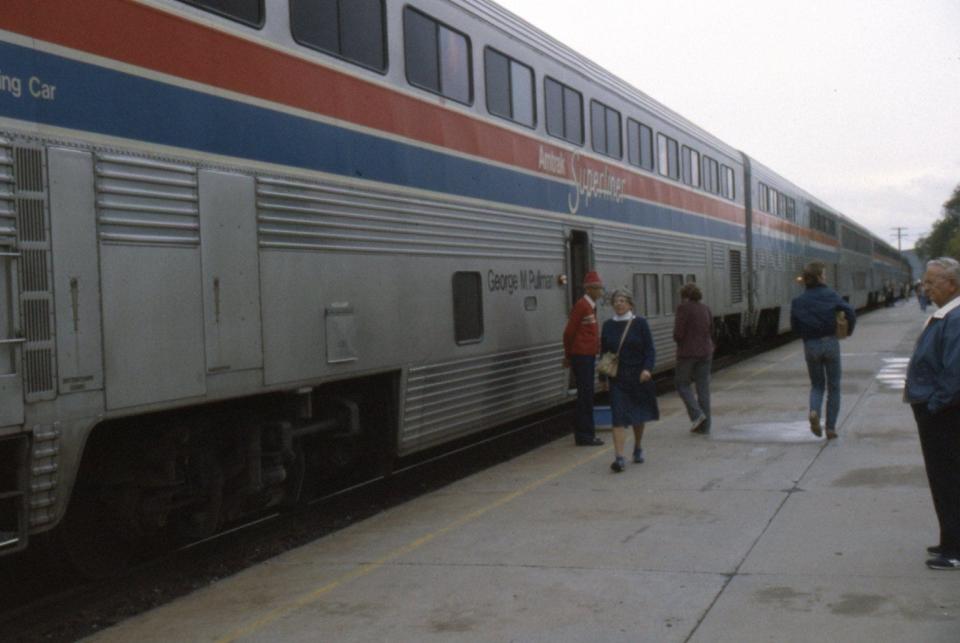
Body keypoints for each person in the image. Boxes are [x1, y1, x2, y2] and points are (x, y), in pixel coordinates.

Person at [905, 257, 960, 570]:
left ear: (951, 285)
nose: (925, 288)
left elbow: (955, 372)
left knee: (949, 478)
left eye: (931, 283)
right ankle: (950, 538)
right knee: (943, 479)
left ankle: (955, 549)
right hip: (940, 411)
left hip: (945, 414)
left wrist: (934, 407)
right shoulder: (948, 315)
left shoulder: (955, 318)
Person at [790, 261, 856, 440]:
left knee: (817, 385)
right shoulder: (830, 294)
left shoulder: (799, 301)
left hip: (810, 345)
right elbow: (849, 311)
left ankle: (814, 412)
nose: (826, 277)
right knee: (834, 386)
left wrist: (805, 336)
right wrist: (847, 331)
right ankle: (831, 428)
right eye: (824, 274)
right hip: (830, 343)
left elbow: (794, 325)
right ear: (819, 277)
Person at [599, 287, 659, 472]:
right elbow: (605, 354)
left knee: (637, 416)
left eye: (622, 301)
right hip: (618, 378)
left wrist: (647, 369)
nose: (618, 304)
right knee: (618, 416)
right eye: (616, 301)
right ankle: (619, 457)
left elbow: (650, 350)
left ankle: (638, 446)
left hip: (638, 376)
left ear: (630, 304)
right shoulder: (608, 325)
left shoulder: (640, 323)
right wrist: (602, 377)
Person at [563, 271, 605, 446]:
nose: (601, 292)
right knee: (585, 396)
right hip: (582, 357)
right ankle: (585, 436)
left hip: (587, 356)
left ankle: (586, 434)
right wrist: (568, 355)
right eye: (599, 288)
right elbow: (569, 332)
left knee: (587, 395)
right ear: (590, 289)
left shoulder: (590, 307)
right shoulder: (582, 306)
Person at [673, 282, 714, 434]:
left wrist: (680, 342)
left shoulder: (683, 308)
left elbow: (678, 334)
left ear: (684, 296)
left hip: (688, 354)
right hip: (706, 352)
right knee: (703, 389)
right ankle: (705, 426)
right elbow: (711, 330)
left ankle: (697, 415)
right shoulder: (706, 308)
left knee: (681, 384)